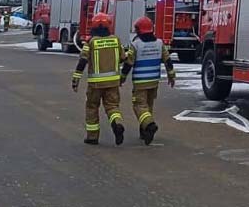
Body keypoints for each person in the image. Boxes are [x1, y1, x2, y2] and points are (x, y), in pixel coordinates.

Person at [121, 16, 176, 145]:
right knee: (148, 106)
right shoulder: (160, 43)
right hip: (154, 81)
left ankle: (149, 125)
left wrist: (122, 78)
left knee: (139, 106)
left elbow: (129, 63)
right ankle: (144, 132)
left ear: (139, 30)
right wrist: (171, 76)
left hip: (140, 82)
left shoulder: (136, 45)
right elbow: (168, 60)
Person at [72, 13, 125, 145]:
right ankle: (117, 123)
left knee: (92, 107)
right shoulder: (116, 40)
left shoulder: (91, 42)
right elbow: (123, 58)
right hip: (113, 82)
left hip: (95, 84)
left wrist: (76, 78)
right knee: (112, 107)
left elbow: (82, 61)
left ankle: (92, 137)